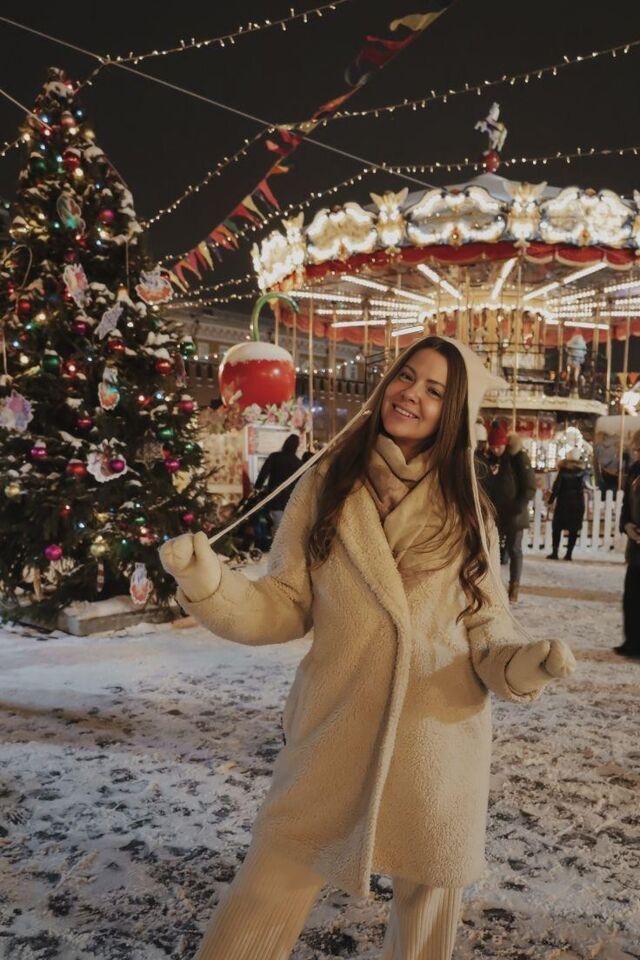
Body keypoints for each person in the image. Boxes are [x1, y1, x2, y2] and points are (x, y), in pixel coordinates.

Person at [159, 336, 576, 960]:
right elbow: (284, 602)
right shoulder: (328, 484)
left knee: (427, 907)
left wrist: (525, 666)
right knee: (269, 882)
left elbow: (490, 631)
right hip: (335, 723)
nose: (411, 394)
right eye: (406, 377)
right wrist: (210, 583)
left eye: (435, 391)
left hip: (438, 736)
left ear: (454, 412)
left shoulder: (469, 512)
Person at [480, 423, 536, 602]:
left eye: (499, 446)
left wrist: (518, 507)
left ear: (505, 444)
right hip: (496, 514)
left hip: (514, 514)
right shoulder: (489, 460)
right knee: (492, 550)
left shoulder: (518, 458)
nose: (496, 450)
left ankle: (514, 587)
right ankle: (492, 585)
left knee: (514, 549)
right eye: (493, 446)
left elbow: (529, 486)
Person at [617, 429, 640, 659]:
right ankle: (631, 641)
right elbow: (627, 504)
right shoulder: (635, 470)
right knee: (631, 596)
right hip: (636, 545)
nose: (637, 453)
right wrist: (626, 525)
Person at [546, 448, 588, 561]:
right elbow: (588, 486)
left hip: (563, 502)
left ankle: (555, 552)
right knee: (573, 529)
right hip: (577, 503)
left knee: (557, 528)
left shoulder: (563, 471)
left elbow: (557, 487)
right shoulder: (583, 472)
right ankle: (569, 554)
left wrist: (551, 500)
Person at [254, 434, 301, 535]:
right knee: (285, 530)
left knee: (275, 527)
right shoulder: (298, 463)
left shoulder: (275, 457)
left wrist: (257, 487)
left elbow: (263, 474)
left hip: (274, 498)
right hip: (289, 501)